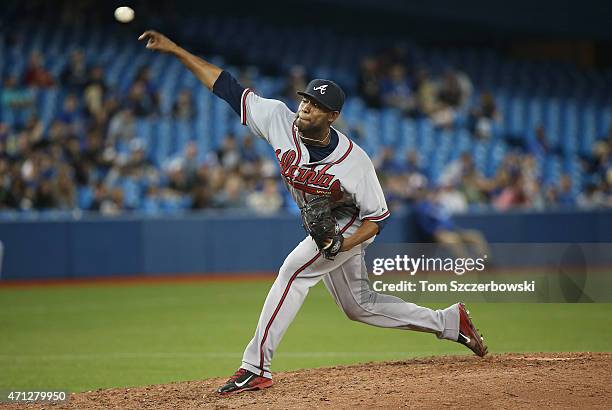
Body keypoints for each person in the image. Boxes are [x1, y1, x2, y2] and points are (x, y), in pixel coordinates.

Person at [139, 30, 488, 395]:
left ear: (332, 116)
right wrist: (176, 50)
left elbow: (376, 220)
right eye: (305, 100)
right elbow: (226, 86)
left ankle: (255, 367)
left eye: (316, 105)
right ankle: (449, 322)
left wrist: (343, 243)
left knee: (293, 272)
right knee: (359, 306)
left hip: (350, 221)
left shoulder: (355, 162)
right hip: (326, 225)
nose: (306, 107)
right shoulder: (278, 119)